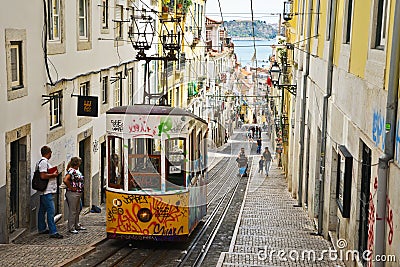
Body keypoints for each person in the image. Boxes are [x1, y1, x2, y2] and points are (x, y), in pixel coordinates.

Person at [37, 146, 63, 239]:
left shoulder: (41, 162)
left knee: (42, 210)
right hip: (46, 191)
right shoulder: (43, 163)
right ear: (48, 153)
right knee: (51, 211)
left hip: (45, 191)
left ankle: (42, 228)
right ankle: (53, 231)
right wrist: (54, 175)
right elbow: (43, 176)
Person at [63, 157, 86, 234]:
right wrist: (71, 187)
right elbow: (65, 180)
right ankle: (71, 227)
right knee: (73, 211)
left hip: (77, 193)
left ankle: (77, 225)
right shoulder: (72, 171)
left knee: (77, 209)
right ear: (77, 164)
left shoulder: (74, 170)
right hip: (73, 194)